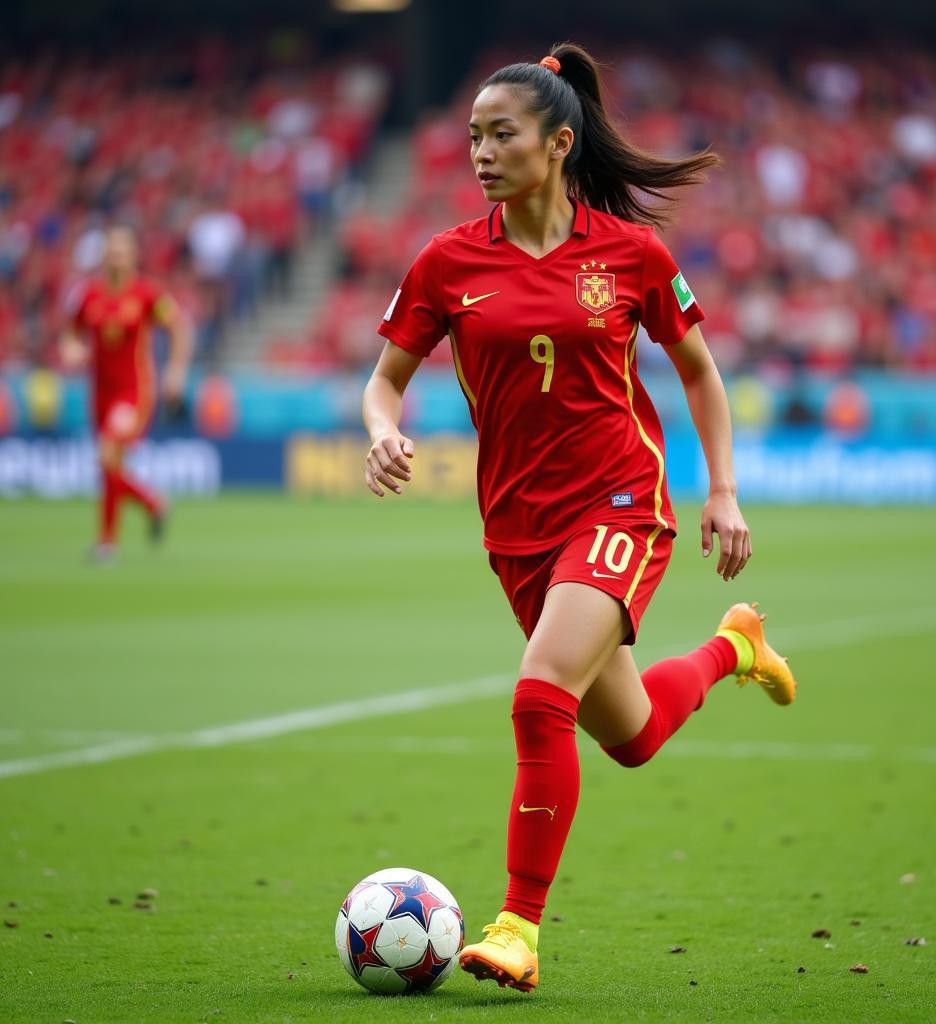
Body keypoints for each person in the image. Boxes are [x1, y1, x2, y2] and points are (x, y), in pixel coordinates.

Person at [362, 43, 797, 994]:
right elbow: (385, 380)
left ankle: (518, 924)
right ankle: (736, 648)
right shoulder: (445, 261)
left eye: (501, 134)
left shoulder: (631, 254)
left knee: (538, 692)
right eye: (473, 135)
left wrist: (721, 490)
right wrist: (382, 430)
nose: (481, 151)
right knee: (632, 735)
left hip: (621, 504)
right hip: (518, 530)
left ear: (558, 143)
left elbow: (700, 374)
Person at [62, 225, 193, 560]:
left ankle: (107, 543)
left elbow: (179, 328)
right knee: (110, 465)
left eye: (122, 250)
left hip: (134, 390)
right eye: (111, 249)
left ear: (134, 255)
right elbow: (71, 334)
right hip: (100, 393)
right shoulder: (89, 294)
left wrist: (176, 372)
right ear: (104, 254)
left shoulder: (147, 294)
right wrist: (71, 349)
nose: (116, 256)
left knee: (108, 453)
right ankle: (153, 503)